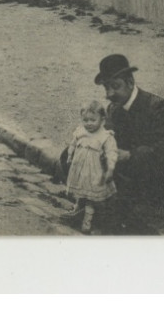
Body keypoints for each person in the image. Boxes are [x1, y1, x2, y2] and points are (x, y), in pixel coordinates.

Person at [94, 53, 164, 211]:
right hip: (131, 174)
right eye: (106, 87)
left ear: (130, 82)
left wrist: (129, 155)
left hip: (162, 181)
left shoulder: (157, 107)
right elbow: (108, 138)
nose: (109, 94)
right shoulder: (114, 108)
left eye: (115, 86)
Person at [64, 99, 118, 234]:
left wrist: (110, 168)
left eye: (93, 120)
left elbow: (112, 153)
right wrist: (70, 155)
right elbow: (73, 144)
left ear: (102, 120)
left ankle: (88, 219)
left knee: (91, 198)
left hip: (95, 171)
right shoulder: (80, 131)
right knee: (81, 191)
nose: (88, 124)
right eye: (85, 120)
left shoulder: (105, 136)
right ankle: (78, 208)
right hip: (80, 169)